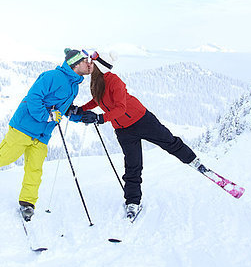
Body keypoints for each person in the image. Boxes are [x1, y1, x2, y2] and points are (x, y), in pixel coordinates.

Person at [0, 48, 92, 220]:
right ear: (76, 64)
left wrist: (79, 115)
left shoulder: (74, 87)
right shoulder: (52, 76)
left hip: (42, 135)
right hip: (24, 126)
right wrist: (48, 115)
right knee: (3, 158)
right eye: (85, 62)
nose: (89, 65)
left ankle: (27, 202)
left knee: (34, 169)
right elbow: (34, 97)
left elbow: (61, 108)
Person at [73, 50, 202, 220]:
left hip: (142, 120)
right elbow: (98, 100)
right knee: (133, 166)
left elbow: (121, 108)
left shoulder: (114, 81)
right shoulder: (96, 82)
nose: (89, 63)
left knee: (169, 142)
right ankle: (133, 202)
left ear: (99, 66)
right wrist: (81, 109)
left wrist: (100, 118)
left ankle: (193, 160)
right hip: (123, 130)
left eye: (92, 62)